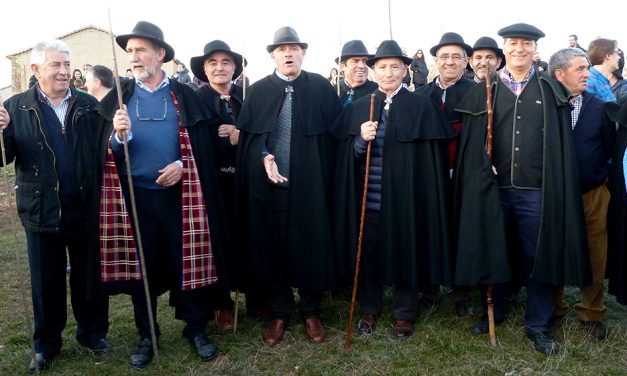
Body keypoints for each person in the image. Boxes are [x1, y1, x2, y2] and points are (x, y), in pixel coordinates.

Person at [80, 21, 226, 368]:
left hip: (181, 196)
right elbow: (105, 151)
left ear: (160, 54)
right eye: (129, 51)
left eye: (141, 49)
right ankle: (148, 333)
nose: (133, 56)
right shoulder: (119, 96)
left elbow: (201, 147)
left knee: (187, 258)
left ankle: (195, 327)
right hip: (136, 198)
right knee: (141, 267)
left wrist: (180, 163)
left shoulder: (184, 95)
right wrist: (118, 137)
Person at [454, 23, 591, 355]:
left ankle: (538, 323)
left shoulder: (548, 88)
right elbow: (470, 144)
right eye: (513, 43)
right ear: (504, 48)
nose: (519, 49)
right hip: (494, 189)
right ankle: (495, 308)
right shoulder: (486, 88)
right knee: (494, 249)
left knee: (537, 257)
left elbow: (560, 141)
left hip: (536, 190)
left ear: (535, 50)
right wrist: (483, 162)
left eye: (526, 44)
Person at [0, 40, 110, 373]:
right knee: (46, 281)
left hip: (85, 206)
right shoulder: (16, 107)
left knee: (89, 276)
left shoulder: (89, 104)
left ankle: (92, 334)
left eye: (67, 64)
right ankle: (47, 344)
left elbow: (106, 149)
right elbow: (2, 158)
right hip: (41, 208)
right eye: (55, 65)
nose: (63, 71)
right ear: (35, 69)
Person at [331, 40, 454, 339]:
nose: (388, 73)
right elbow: (346, 156)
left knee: (406, 252)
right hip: (369, 200)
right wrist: (360, 139)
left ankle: (404, 312)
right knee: (368, 255)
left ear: (404, 71)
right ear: (374, 71)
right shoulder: (360, 106)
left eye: (395, 67)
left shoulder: (421, 106)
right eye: (382, 67)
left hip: (407, 200)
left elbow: (431, 162)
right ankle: (370, 309)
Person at [236, 26, 342, 346]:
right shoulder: (257, 91)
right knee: (272, 246)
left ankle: (310, 310)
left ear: (303, 53)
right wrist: (265, 156)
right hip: (270, 188)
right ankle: (280, 310)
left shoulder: (322, 88)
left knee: (312, 245)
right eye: (281, 50)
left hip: (311, 187)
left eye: (294, 48)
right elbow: (252, 141)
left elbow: (333, 140)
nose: (288, 53)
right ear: (272, 55)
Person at [190, 40, 269, 330]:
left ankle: (257, 295)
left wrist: (240, 133)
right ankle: (221, 303)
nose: (220, 68)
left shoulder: (246, 96)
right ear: (205, 69)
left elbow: (260, 131)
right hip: (214, 182)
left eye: (226, 63)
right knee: (219, 240)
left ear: (235, 68)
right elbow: (196, 139)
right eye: (213, 63)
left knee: (251, 234)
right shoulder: (195, 99)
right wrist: (221, 137)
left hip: (246, 178)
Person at [549, 47, 615, 340]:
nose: (588, 74)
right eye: (580, 69)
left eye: (588, 68)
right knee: (553, 251)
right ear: (559, 74)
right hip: (554, 196)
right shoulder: (544, 106)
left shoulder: (598, 107)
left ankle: (591, 312)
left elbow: (609, 148)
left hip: (593, 194)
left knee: (595, 254)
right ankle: (552, 306)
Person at [416, 32, 476, 318]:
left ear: (466, 61)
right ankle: (429, 290)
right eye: (444, 57)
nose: (449, 62)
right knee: (430, 226)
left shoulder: (476, 93)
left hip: (464, 173)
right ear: (435, 61)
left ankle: (461, 291)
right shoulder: (421, 95)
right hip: (430, 174)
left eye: (456, 56)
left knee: (461, 229)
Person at [336, 40, 377, 107]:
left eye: (365, 61)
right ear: (342, 66)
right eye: (355, 61)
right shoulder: (334, 91)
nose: (361, 66)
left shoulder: (377, 91)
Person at [587, 38, 620, 103]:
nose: (619, 57)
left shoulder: (603, 81)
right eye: (616, 52)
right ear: (608, 55)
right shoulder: (589, 82)